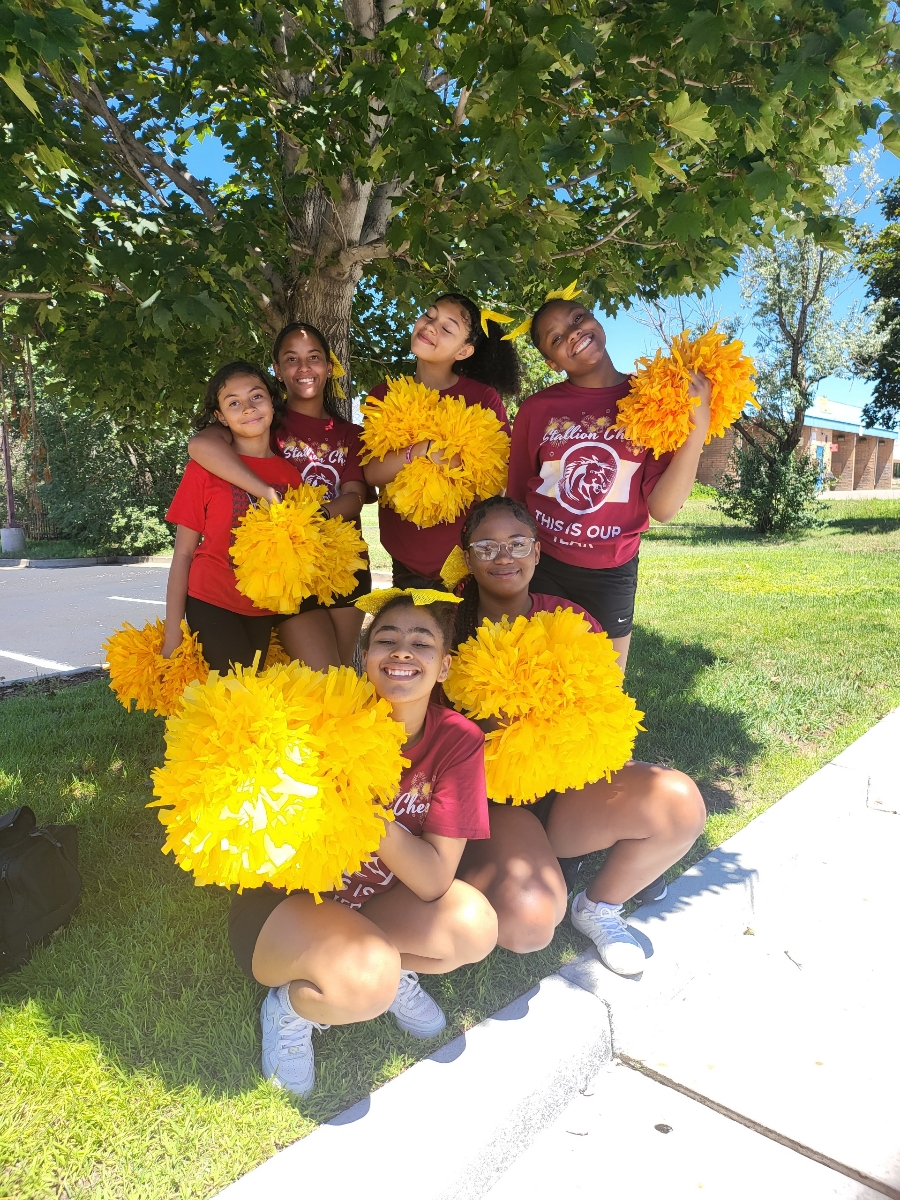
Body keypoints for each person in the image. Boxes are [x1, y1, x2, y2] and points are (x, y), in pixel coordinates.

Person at [227, 591, 498, 1097]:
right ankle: (290, 1006)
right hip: (287, 903)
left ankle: (382, 964)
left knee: (474, 929)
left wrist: (361, 810)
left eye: (422, 643)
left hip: (376, 896)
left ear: (444, 667)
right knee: (367, 985)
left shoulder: (457, 740)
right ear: (365, 656)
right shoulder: (320, 717)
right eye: (386, 640)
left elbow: (436, 878)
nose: (401, 652)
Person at [450, 496, 707, 977]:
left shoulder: (571, 620)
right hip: (494, 806)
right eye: (486, 546)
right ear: (467, 557)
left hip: (566, 793)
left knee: (679, 803)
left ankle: (598, 906)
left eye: (517, 543)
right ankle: (512, 864)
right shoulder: (445, 628)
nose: (503, 557)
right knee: (528, 927)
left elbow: (600, 715)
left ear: (537, 551)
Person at [507, 297, 712, 670]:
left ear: (596, 320)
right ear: (552, 363)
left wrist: (698, 427)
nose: (573, 333)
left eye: (578, 318)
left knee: (605, 692)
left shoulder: (649, 401)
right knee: (534, 678)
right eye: (556, 338)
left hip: (611, 572)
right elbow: (516, 498)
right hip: (542, 564)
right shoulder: (536, 409)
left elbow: (663, 509)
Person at [186, 323, 370, 670]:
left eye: (313, 358)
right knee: (310, 679)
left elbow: (355, 498)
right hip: (285, 569)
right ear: (277, 369)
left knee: (337, 681)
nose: (303, 368)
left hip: (343, 566)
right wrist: (272, 500)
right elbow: (200, 446)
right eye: (291, 359)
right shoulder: (262, 420)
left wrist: (308, 520)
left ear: (330, 367)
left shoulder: (349, 433)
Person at [362, 294, 519, 588]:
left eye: (447, 328)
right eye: (429, 315)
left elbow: (497, 482)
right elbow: (371, 473)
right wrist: (422, 451)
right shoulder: (384, 394)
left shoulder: (483, 399)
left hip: (467, 559)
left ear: (463, 351)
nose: (431, 326)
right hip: (406, 557)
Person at [163, 361, 303, 673]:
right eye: (234, 403)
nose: (248, 409)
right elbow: (183, 552)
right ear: (220, 417)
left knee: (247, 697)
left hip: (262, 607)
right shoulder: (203, 468)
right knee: (237, 691)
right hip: (210, 599)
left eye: (256, 397)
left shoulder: (290, 475)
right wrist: (173, 630)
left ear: (271, 400)